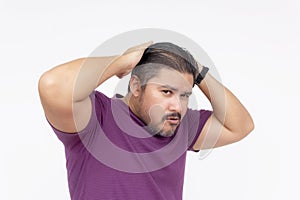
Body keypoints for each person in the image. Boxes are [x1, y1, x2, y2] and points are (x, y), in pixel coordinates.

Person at [38, 41, 254, 200]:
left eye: (185, 95)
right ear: (135, 86)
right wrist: (122, 62)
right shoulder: (97, 118)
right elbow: (52, 85)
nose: (177, 106)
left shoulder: (181, 125)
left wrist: (198, 72)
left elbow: (240, 126)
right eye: (167, 91)